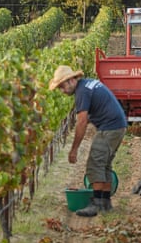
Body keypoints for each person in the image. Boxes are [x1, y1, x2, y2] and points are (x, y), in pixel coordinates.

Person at [49, 65, 127, 217]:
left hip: (110, 127)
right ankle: (105, 204)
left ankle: (96, 204)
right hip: (118, 125)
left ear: (71, 80)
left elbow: (82, 121)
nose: (62, 91)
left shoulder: (82, 92)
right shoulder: (87, 84)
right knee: (104, 165)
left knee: (95, 164)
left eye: (62, 86)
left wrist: (74, 149)